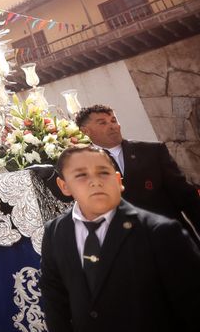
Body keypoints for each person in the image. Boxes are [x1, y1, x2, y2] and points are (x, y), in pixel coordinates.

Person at [39, 146, 200, 331]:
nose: (95, 182)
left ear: (118, 180)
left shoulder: (159, 231)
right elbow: (54, 299)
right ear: (64, 186)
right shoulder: (55, 232)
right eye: (81, 175)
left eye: (103, 173)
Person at [76, 104, 200, 239]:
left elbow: (186, 197)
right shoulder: (82, 165)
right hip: (131, 250)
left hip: (173, 239)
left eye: (113, 120)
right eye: (102, 123)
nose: (113, 126)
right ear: (85, 131)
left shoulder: (152, 151)